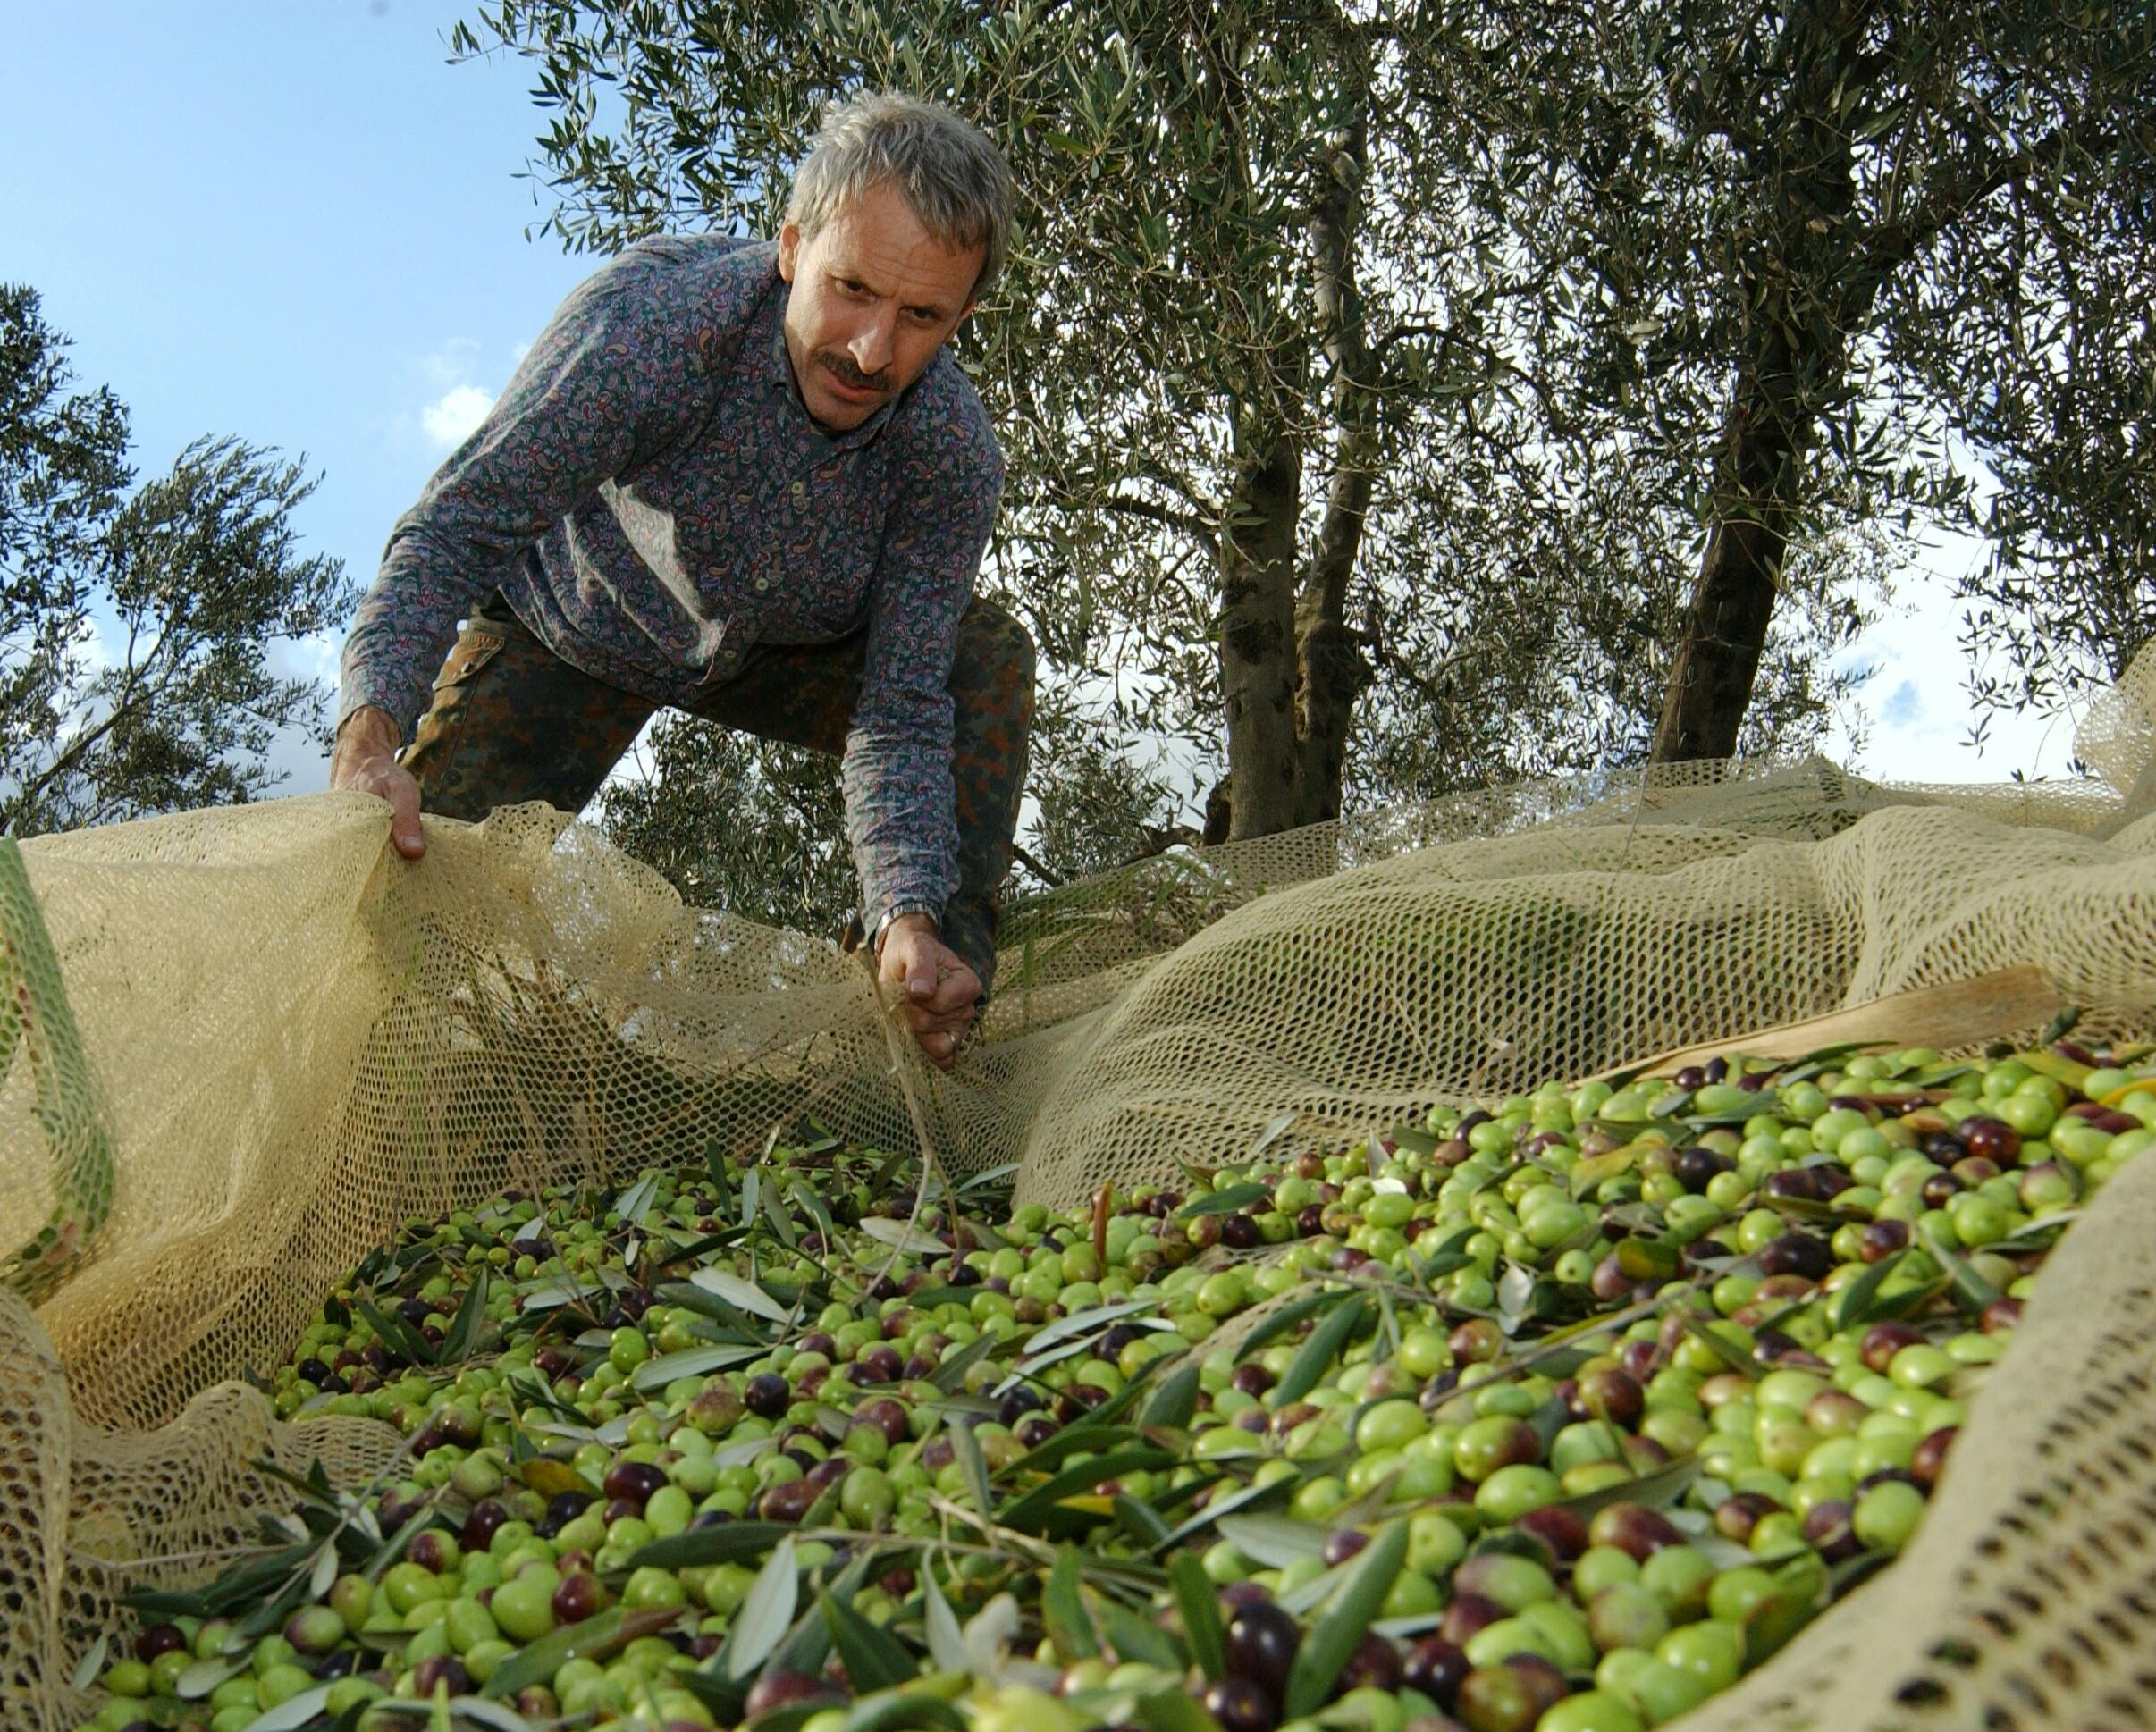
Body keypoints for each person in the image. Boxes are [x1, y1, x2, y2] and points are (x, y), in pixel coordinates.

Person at [330, 93, 1032, 1070]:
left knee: (982, 657)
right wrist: (370, 732)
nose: (872, 351)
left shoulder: (949, 456)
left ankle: (922, 1017)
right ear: (791, 247)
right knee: (401, 909)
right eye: (852, 290)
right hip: (569, 629)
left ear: (963, 315)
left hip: (773, 651)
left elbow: (902, 709)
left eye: (921, 318)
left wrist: (905, 910)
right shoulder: (649, 335)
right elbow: (457, 526)